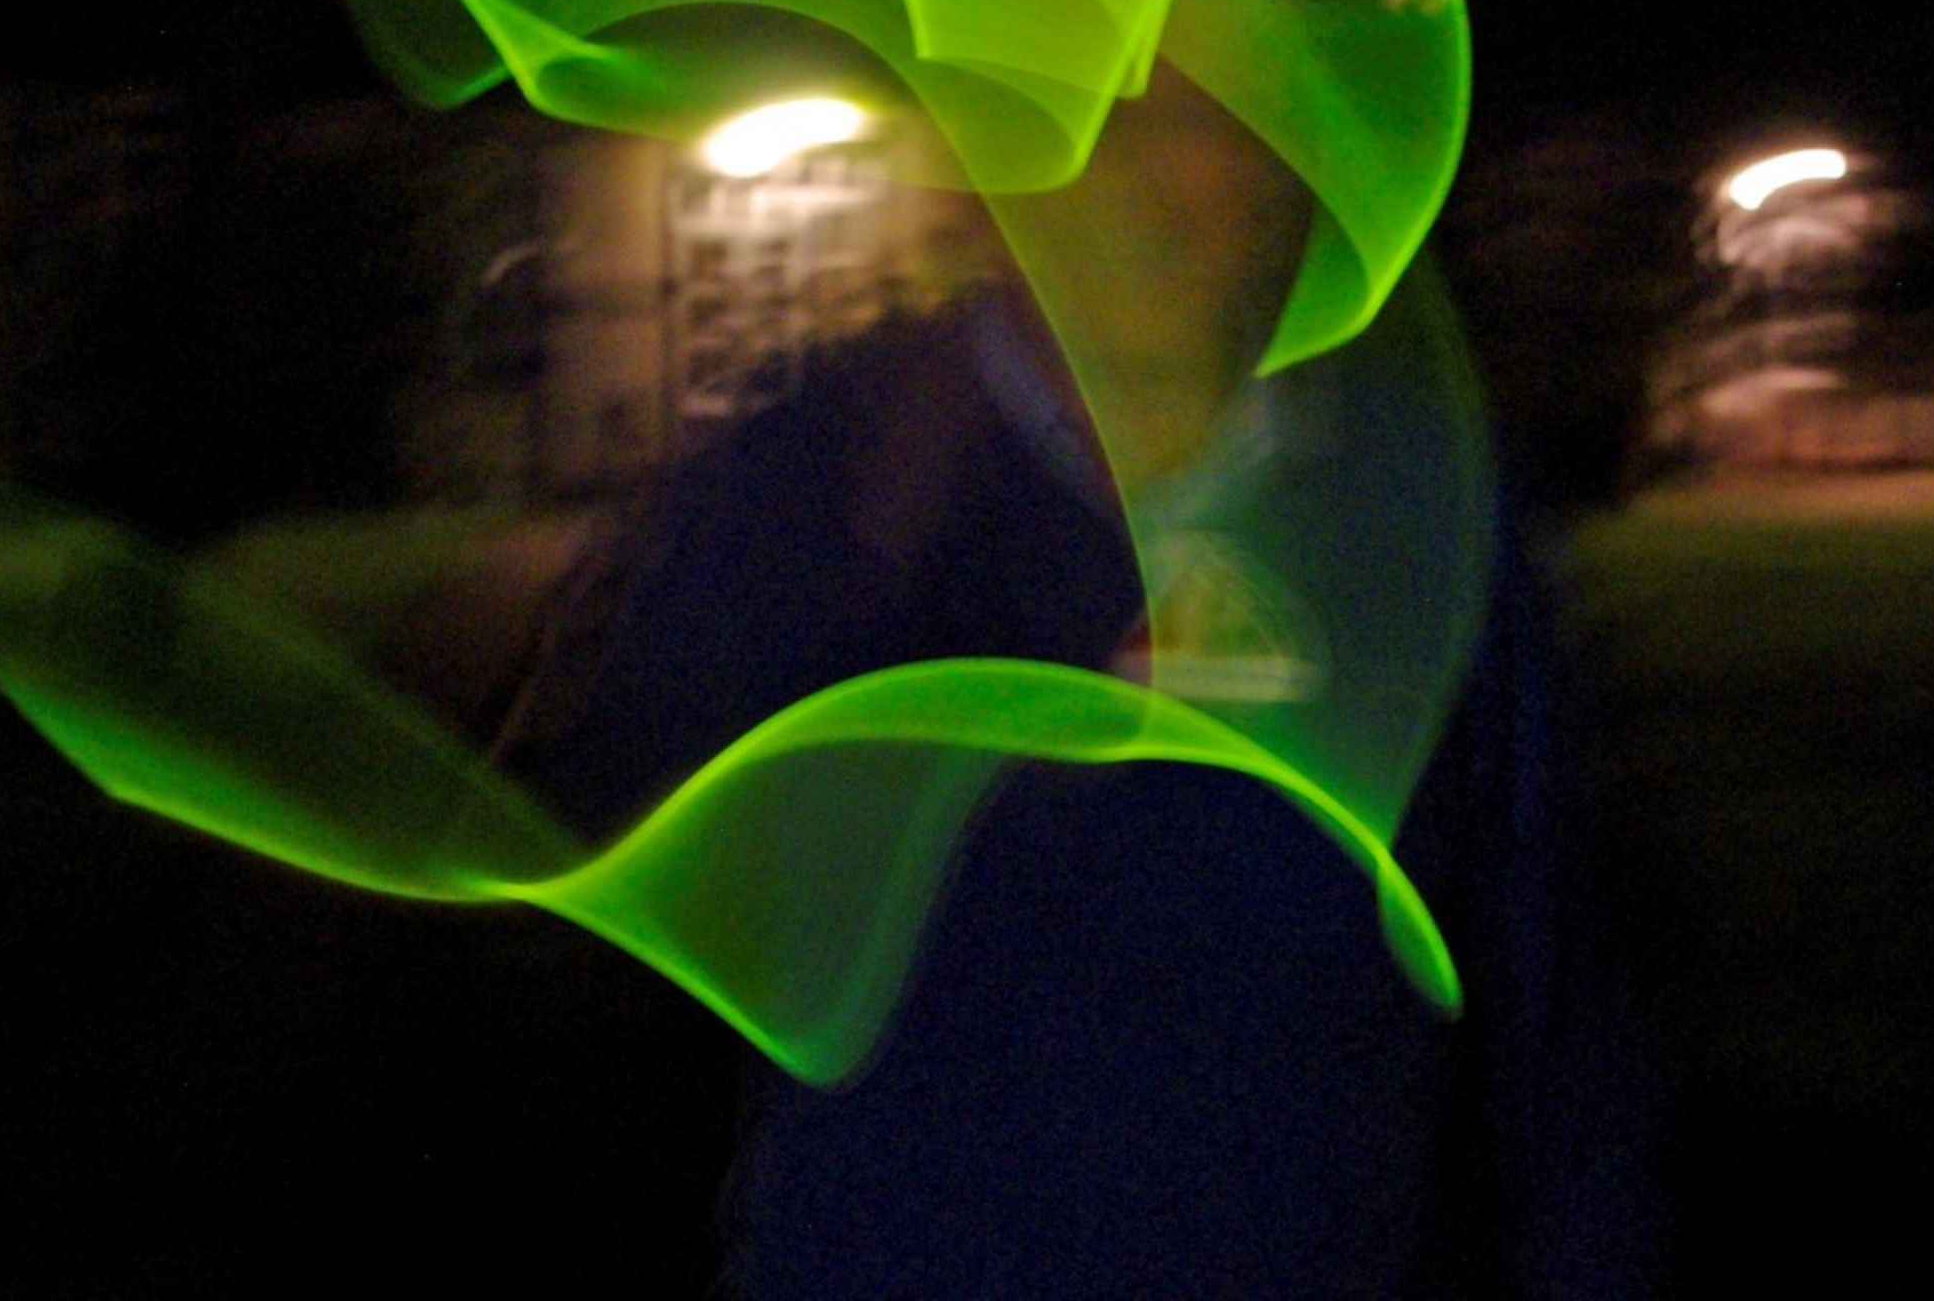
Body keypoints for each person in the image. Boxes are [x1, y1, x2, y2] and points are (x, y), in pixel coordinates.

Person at [493, 68, 1656, 1296]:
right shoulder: (817, 478)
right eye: (1083, 123)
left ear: (1278, 171)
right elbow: (620, 862)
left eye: (1196, 122)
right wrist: (857, 555)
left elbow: (1564, 1007)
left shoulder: (1417, 510)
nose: (1137, 186)